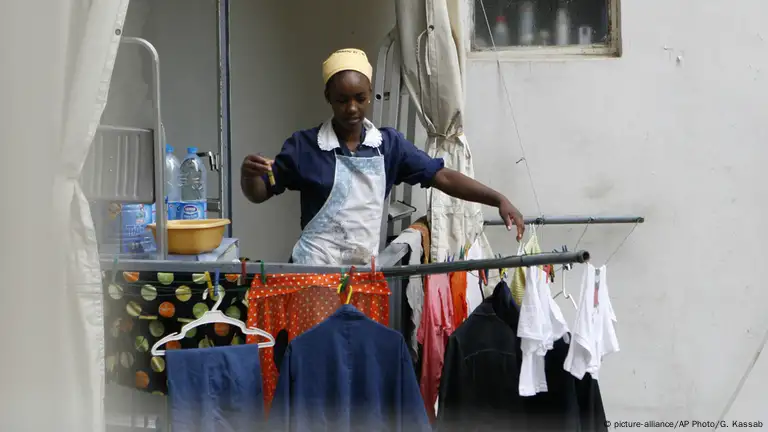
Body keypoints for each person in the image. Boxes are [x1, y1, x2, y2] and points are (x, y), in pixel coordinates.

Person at [241, 48, 524, 266]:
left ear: (369, 95)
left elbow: (443, 176)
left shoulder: (388, 146)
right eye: (342, 100)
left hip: (363, 275)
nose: (352, 108)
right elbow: (260, 193)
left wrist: (497, 199)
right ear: (328, 97)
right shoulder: (305, 146)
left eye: (360, 98)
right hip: (312, 273)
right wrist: (249, 176)